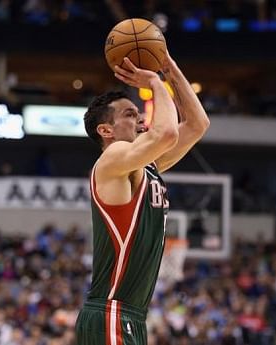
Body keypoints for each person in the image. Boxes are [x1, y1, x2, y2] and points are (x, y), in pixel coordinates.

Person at [76, 51, 210, 345]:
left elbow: (198, 124)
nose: (140, 121)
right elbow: (165, 135)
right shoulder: (111, 160)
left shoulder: (142, 166)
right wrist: (152, 81)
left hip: (131, 316)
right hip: (111, 312)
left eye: (138, 114)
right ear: (105, 130)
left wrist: (170, 69)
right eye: (130, 115)